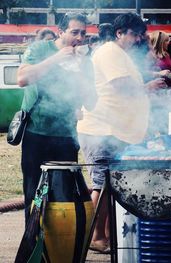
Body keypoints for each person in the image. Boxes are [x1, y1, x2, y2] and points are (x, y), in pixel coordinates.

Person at [77, 13, 166, 258]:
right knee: (102, 185)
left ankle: (106, 235)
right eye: (134, 34)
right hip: (102, 130)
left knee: (110, 186)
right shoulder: (109, 52)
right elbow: (121, 86)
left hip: (115, 130)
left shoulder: (120, 55)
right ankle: (95, 238)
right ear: (120, 33)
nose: (137, 39)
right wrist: (148, 87)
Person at [17, 12, 96, 224]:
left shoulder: (85, 62)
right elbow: (22, 79)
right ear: (61, 32)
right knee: (34, 193)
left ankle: (60, 247)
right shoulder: (41, 49)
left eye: (83, 33)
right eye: (74, 32)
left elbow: (91, 103)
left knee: (63, 196)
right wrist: (57, 58)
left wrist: (81, 73)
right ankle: (33, 246)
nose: (80, 38)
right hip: (36, 133)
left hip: (67, 136)